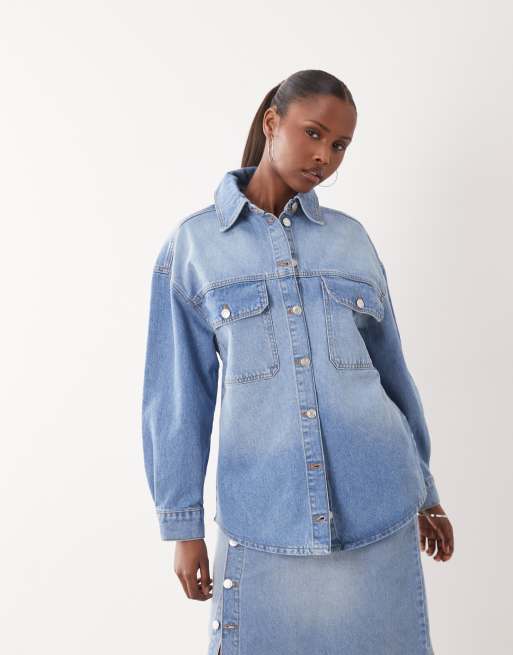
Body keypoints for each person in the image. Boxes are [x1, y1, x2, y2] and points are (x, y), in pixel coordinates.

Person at [141, 69, 454, 655]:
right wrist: (183, 527)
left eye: (340, 145)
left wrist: (426, 490)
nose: (324, 157)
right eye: (313, 133)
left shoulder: (351, 240)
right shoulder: (194, 247)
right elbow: (178, 398)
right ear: (271, 123)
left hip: (379, 503)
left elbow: (392, 373)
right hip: (263, 514)